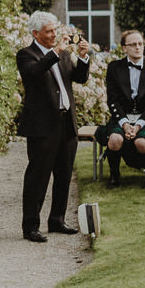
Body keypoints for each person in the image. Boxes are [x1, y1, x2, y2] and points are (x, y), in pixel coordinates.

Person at [17, 13, 92, 242]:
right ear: (36, 34)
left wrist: (83, 57)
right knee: (38, 176)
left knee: (64, 174)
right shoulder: (26, 55)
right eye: (49, 31)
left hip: (66, 122)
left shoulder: (63, 55)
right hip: (42, 125)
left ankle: (57, 220)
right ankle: (31, 226)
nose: (54, 35)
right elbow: (33, 74)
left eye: (54, 30)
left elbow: (78, 78)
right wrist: (56, 52)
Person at [99, 28, 145, 188]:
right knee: (114, 140)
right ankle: (114, 175)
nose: (137, 47)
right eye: (133, 44)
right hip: (122, 116)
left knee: (142, 142)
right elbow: (112, 100)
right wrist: (125, 124)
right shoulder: (114, 67)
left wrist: (139, 125)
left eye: (140, 43)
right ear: (124, 48)